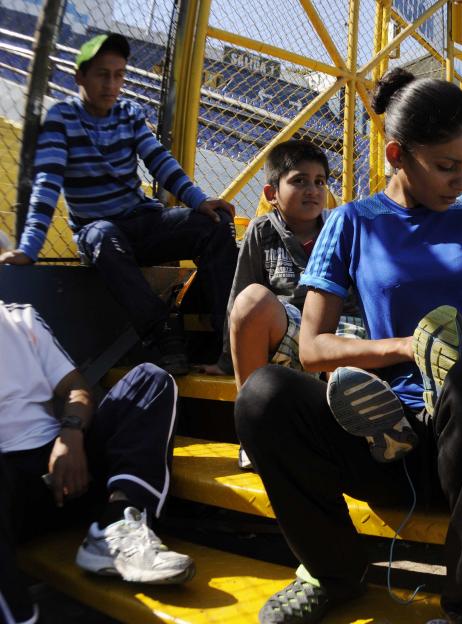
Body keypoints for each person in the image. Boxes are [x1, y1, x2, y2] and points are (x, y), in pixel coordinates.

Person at [234, 68, 462, 624]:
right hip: (378, 434)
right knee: (262, 395)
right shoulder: (351, 222)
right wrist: (407, 347)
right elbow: (312, 350)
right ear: (399, 155)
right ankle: (331, 571)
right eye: (448, 166)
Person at [0, 32, 237, 376]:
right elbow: (46, 185)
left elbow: (159, 160)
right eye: (102, 74)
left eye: (119, 74)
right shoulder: (61, 120)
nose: (112, 83)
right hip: (100, 233)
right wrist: (30, 248)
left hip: (142, 221)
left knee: (211, 225)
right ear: (79, 76)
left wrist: (198, 201)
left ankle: (225, 338)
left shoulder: (128, 112)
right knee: (102, 236)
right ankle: (162, 335)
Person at [199, 139, 409, 468]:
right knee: (251, 300)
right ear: (271, 194)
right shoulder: (262, 231)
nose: (312, 189)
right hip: (291, 333)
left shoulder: (342, 228)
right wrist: (227, 360)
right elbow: (239, 295)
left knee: (345, 367)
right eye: (299, 180)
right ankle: (255, 433)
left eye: (320, 182)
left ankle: (380, 431)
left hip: (336, 335)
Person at [0, 301, 194, 624]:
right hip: (8, 491)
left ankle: (118, 525)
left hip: (66, 465)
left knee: (151, 380)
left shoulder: (20, 316)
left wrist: (71, 435)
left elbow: (76, 389)